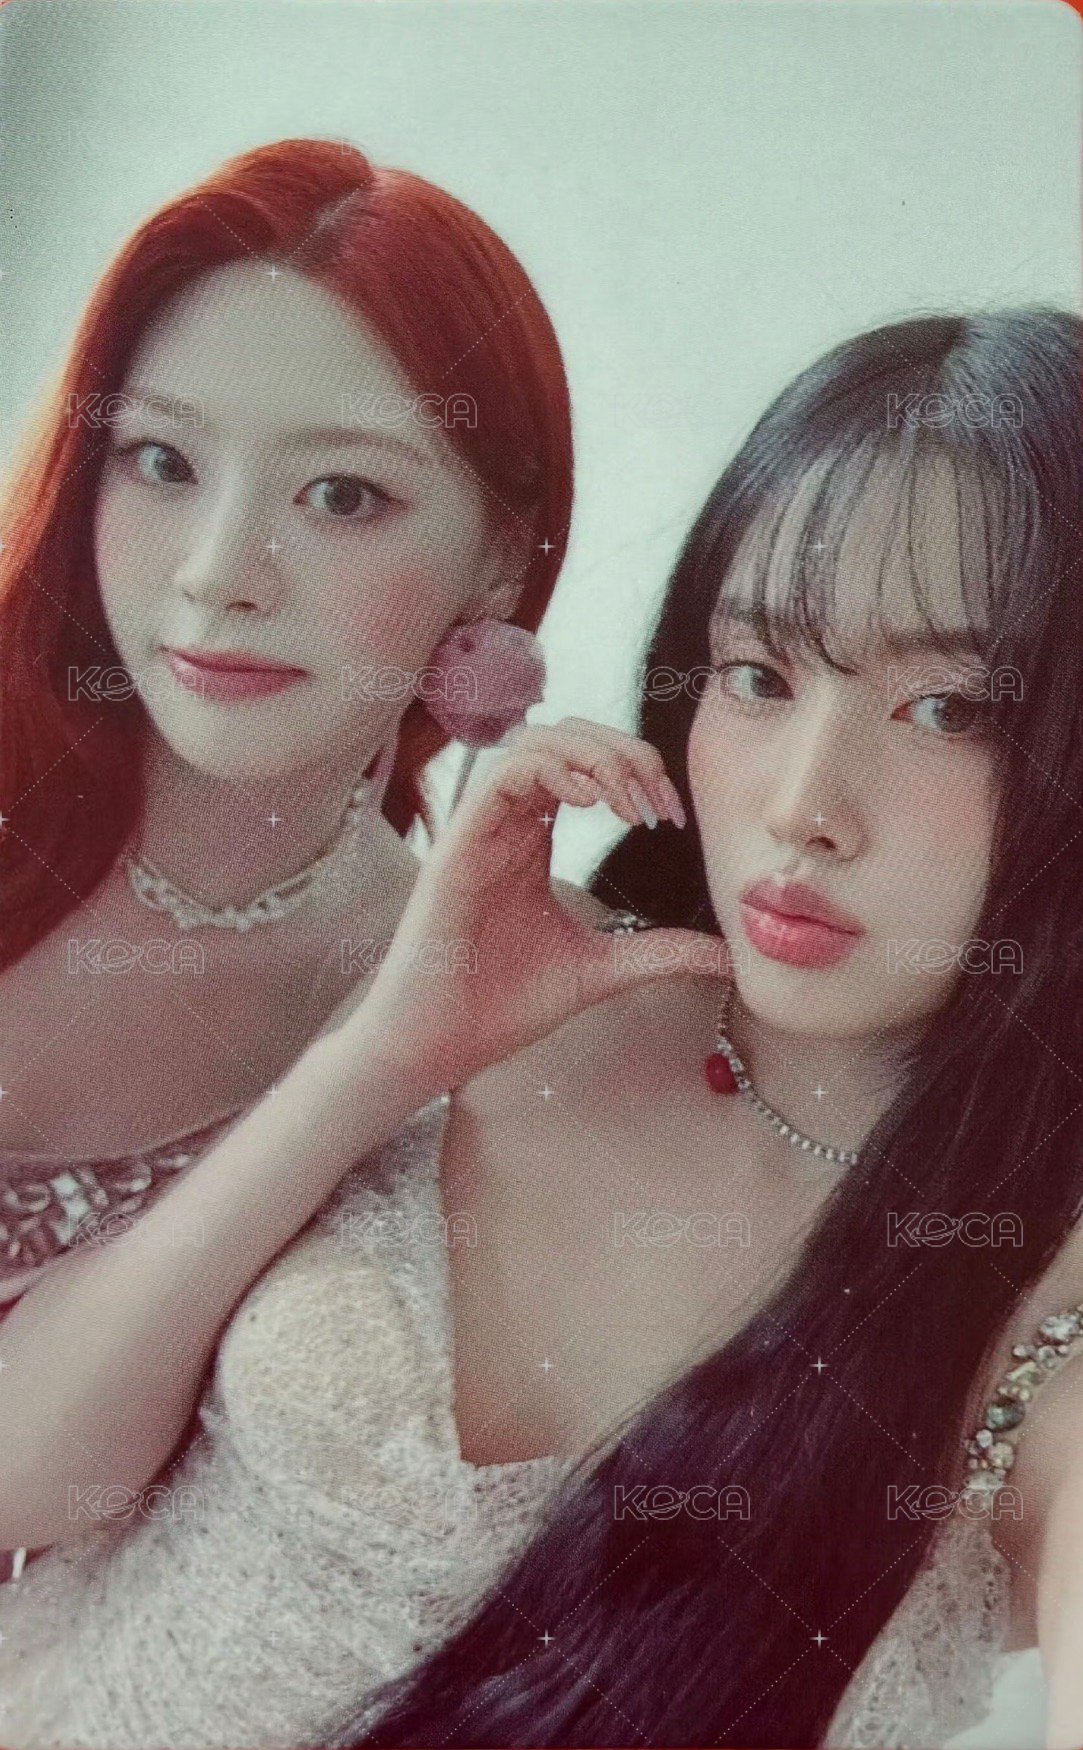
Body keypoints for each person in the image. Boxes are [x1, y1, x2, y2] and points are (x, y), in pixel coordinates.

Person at [2, 307, 1083, 1750]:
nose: (803, 805)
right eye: (760, 677)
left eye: (949, 710)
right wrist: (380, 1056)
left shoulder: (1049, 1316)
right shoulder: (506, 974)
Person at [0, 128, 578, 1724]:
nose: (217, 575)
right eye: (161, 462)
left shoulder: (436, 983)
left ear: (500, 553)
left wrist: (371, 1058)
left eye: (340, 494)